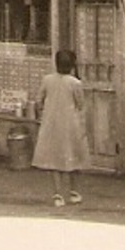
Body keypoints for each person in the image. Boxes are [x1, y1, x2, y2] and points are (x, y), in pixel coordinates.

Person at [34, 49, 90, 207]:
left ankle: (57, 194)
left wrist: (41, 114)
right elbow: (80, 104)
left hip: (51, 122)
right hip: (71, 124)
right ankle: (74, 192)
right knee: (74, 156)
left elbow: (39, 100)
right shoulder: (75, 83)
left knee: (54, 158)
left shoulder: (47, 80)